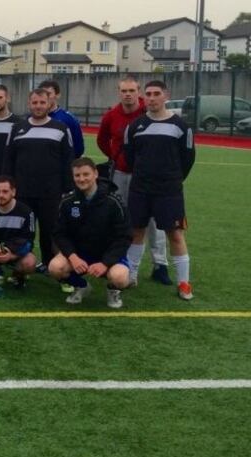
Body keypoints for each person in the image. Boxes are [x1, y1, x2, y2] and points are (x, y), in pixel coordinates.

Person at [123, 80, 196, 300]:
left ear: (166, 95)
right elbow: (130, 157)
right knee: (136, 232)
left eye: (156, 93)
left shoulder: (181, 126)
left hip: (169, 191)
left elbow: (188, 159)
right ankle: (132, 275)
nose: (152, 98)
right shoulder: (135, 126)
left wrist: (172, 179)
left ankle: (184, 283)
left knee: (175, 234)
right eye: (148, 94)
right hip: (140, 189)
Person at [96, 77, 171, 285]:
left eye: (131, 90)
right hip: (120, 174)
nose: (127, 94)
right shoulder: (111, 115)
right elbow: (102, 140)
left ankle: (160, 264)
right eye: (123, 90)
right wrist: (115, 157)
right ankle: (118, 260)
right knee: (120, 217)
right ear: (118, 92)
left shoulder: (147, 112)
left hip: (147, 176)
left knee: (155, 221)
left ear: (138, 92)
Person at [3, 88, 73, 271]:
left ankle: (51, 265)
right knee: (22, 230)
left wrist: (68, 189)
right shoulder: (18, 128)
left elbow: (68, 161)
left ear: (49, 103)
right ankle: (19, 265)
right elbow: (8, 159)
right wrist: (9, 186)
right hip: (23, 191)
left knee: (50, 231)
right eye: (35, 102)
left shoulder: (61, 128)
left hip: (51, 192)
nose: (38, 106)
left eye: (42, 102)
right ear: (29, 104)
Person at [49, 158, 132, 308]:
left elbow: (124, 237)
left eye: (86, 174)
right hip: (79, 254)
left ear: (95, 174)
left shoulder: (113, 202)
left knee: (119, 277)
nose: (81, 179)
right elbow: (60, 233)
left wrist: (105, 262)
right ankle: (81, 286)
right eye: (77, 175)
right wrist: (73, 257)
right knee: (55, 268)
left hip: (107, 254)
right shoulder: (67, 201)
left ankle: (113, 290)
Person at [39, 79, 84, 158]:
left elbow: (78, 149)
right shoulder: (31, 118)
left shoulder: (69, 119)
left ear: (58, 95)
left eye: (49, 94)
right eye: (42, 94)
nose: (45, 97)